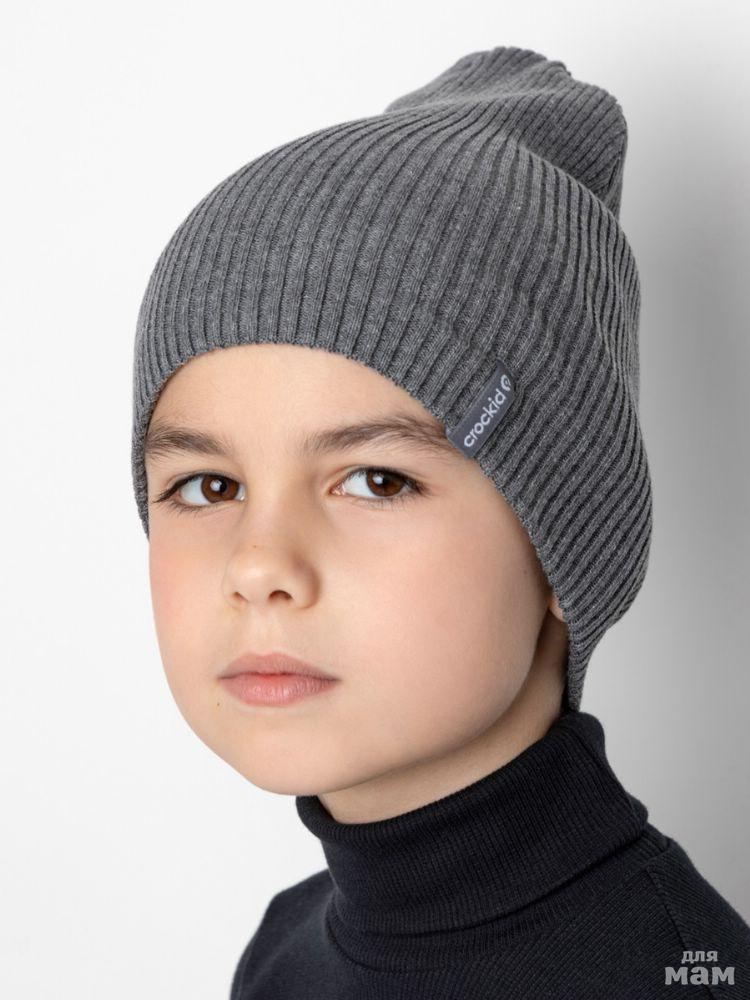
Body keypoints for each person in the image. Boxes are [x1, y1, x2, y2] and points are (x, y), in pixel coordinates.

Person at [131, 45, 750, 999]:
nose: (257, 565)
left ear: (566, 536)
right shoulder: (288, 950)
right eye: (210, 487)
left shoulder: (676, 975)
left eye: (376, 480)